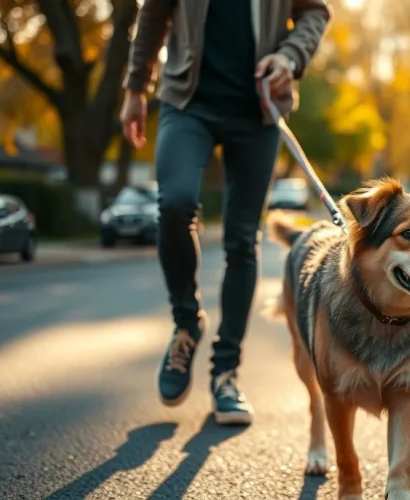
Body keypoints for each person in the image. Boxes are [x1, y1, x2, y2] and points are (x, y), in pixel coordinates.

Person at [120, 0, 331, 425]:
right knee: (175, 203)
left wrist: (288, 57)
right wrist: (135, 88)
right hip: (187, 99)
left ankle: (226, 373)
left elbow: (315, 12)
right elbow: (153, 13)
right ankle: (186, 323)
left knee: (241, 239)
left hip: (258, 107)